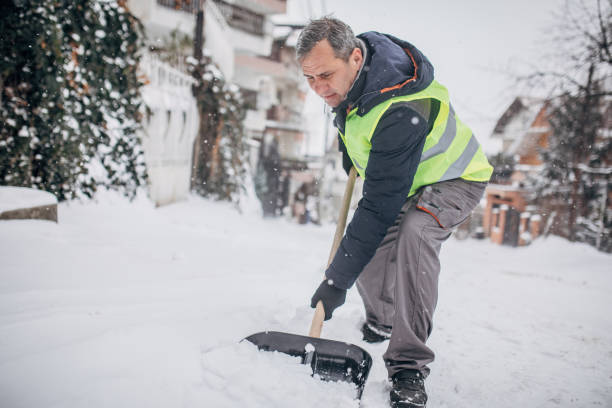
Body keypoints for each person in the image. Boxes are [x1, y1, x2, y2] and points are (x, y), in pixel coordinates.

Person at [297, 17, 493, 408]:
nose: (319, 88)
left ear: (354, 57)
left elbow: (379, 205)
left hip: (456, 179)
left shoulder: (403, 106)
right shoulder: (357, 76)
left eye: (326, 76)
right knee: (369, 260)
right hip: (410, 180)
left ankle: (409, 365)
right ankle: (383, 319)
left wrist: (336, 281)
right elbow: (355, 120)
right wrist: (348, 151)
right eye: (310, 78)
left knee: (414, 236)